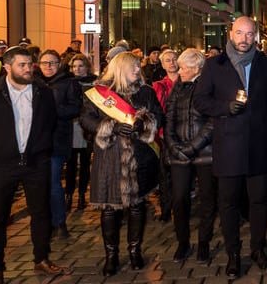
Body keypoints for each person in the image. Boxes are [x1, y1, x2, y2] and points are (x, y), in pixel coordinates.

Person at [0, 47, 70, 284]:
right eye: (22, 65)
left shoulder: (43, 93)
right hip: (2, 166)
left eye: (29, 64)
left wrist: (40, 148)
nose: (28, 69)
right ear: (7, 67)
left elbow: (50, 123)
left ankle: (41, 258)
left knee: (41, 213)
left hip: (36, 163)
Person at [192, 16, 267, 279]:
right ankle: (233, 253)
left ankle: (258, 249)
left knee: (259, 201)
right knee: (228, 203)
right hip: (228, 144)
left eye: (249, 34)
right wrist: (224, 108)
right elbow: (200, 100)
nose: (244, 39)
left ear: (256, 36)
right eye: (240, 33)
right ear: (231, 34)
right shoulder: (214, 64)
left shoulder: (266, 65)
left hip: (259, 144)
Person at [80, 52, 163, 276]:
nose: (138, 70)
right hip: (110, 156)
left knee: (137, 206)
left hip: (140, 155)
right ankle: (111, 255)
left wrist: (142, 124)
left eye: (139, 66)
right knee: (109, 208)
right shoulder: (99, 93)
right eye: (134, 66)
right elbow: (86, 120)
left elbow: (159, 115)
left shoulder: (145, 92)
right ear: (120, 68)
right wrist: (111, 127)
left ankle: (135, 251)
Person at [165, 49, 217, 264]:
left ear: (197, 68)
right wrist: (173, 145)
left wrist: (194, 146)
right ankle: (183, 242)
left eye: (184, 67)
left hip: (204, 152)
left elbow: (212, 121)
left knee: (207, 199)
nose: (180, 70)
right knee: (179, 199)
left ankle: (204, 242)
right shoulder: (178, 85)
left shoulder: (208, 86)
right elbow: (169, 116)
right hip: (179, 152)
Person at [38, 49, 82, 239]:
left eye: (53, 63)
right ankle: (43, 222)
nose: (48, 66)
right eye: (45, 63)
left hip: (57, 140)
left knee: (54, 182)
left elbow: (75, 108)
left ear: (59, 64)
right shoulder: (34, 82)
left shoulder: (68, 83)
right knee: (39, 184)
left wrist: (52, 110)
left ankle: (59, 222)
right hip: (36, 142)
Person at [152, 48, 182, 222]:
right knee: (164, 174)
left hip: (182, 133)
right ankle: (166, 208)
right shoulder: (158, 86)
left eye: (174, 59)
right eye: (167, 60)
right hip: (164, 134)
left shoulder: (186, 81)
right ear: (162, 65)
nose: (171, 62)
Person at [66, 54, 96, 211]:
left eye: (80, 66)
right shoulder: (68, 83)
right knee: (71, 164)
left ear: (87, 67)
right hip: (71, 126)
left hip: (87, 128)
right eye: (74, 66)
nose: (77, 69)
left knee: (85, 163)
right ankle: (69, 194)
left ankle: (83, 194)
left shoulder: (94, 82)